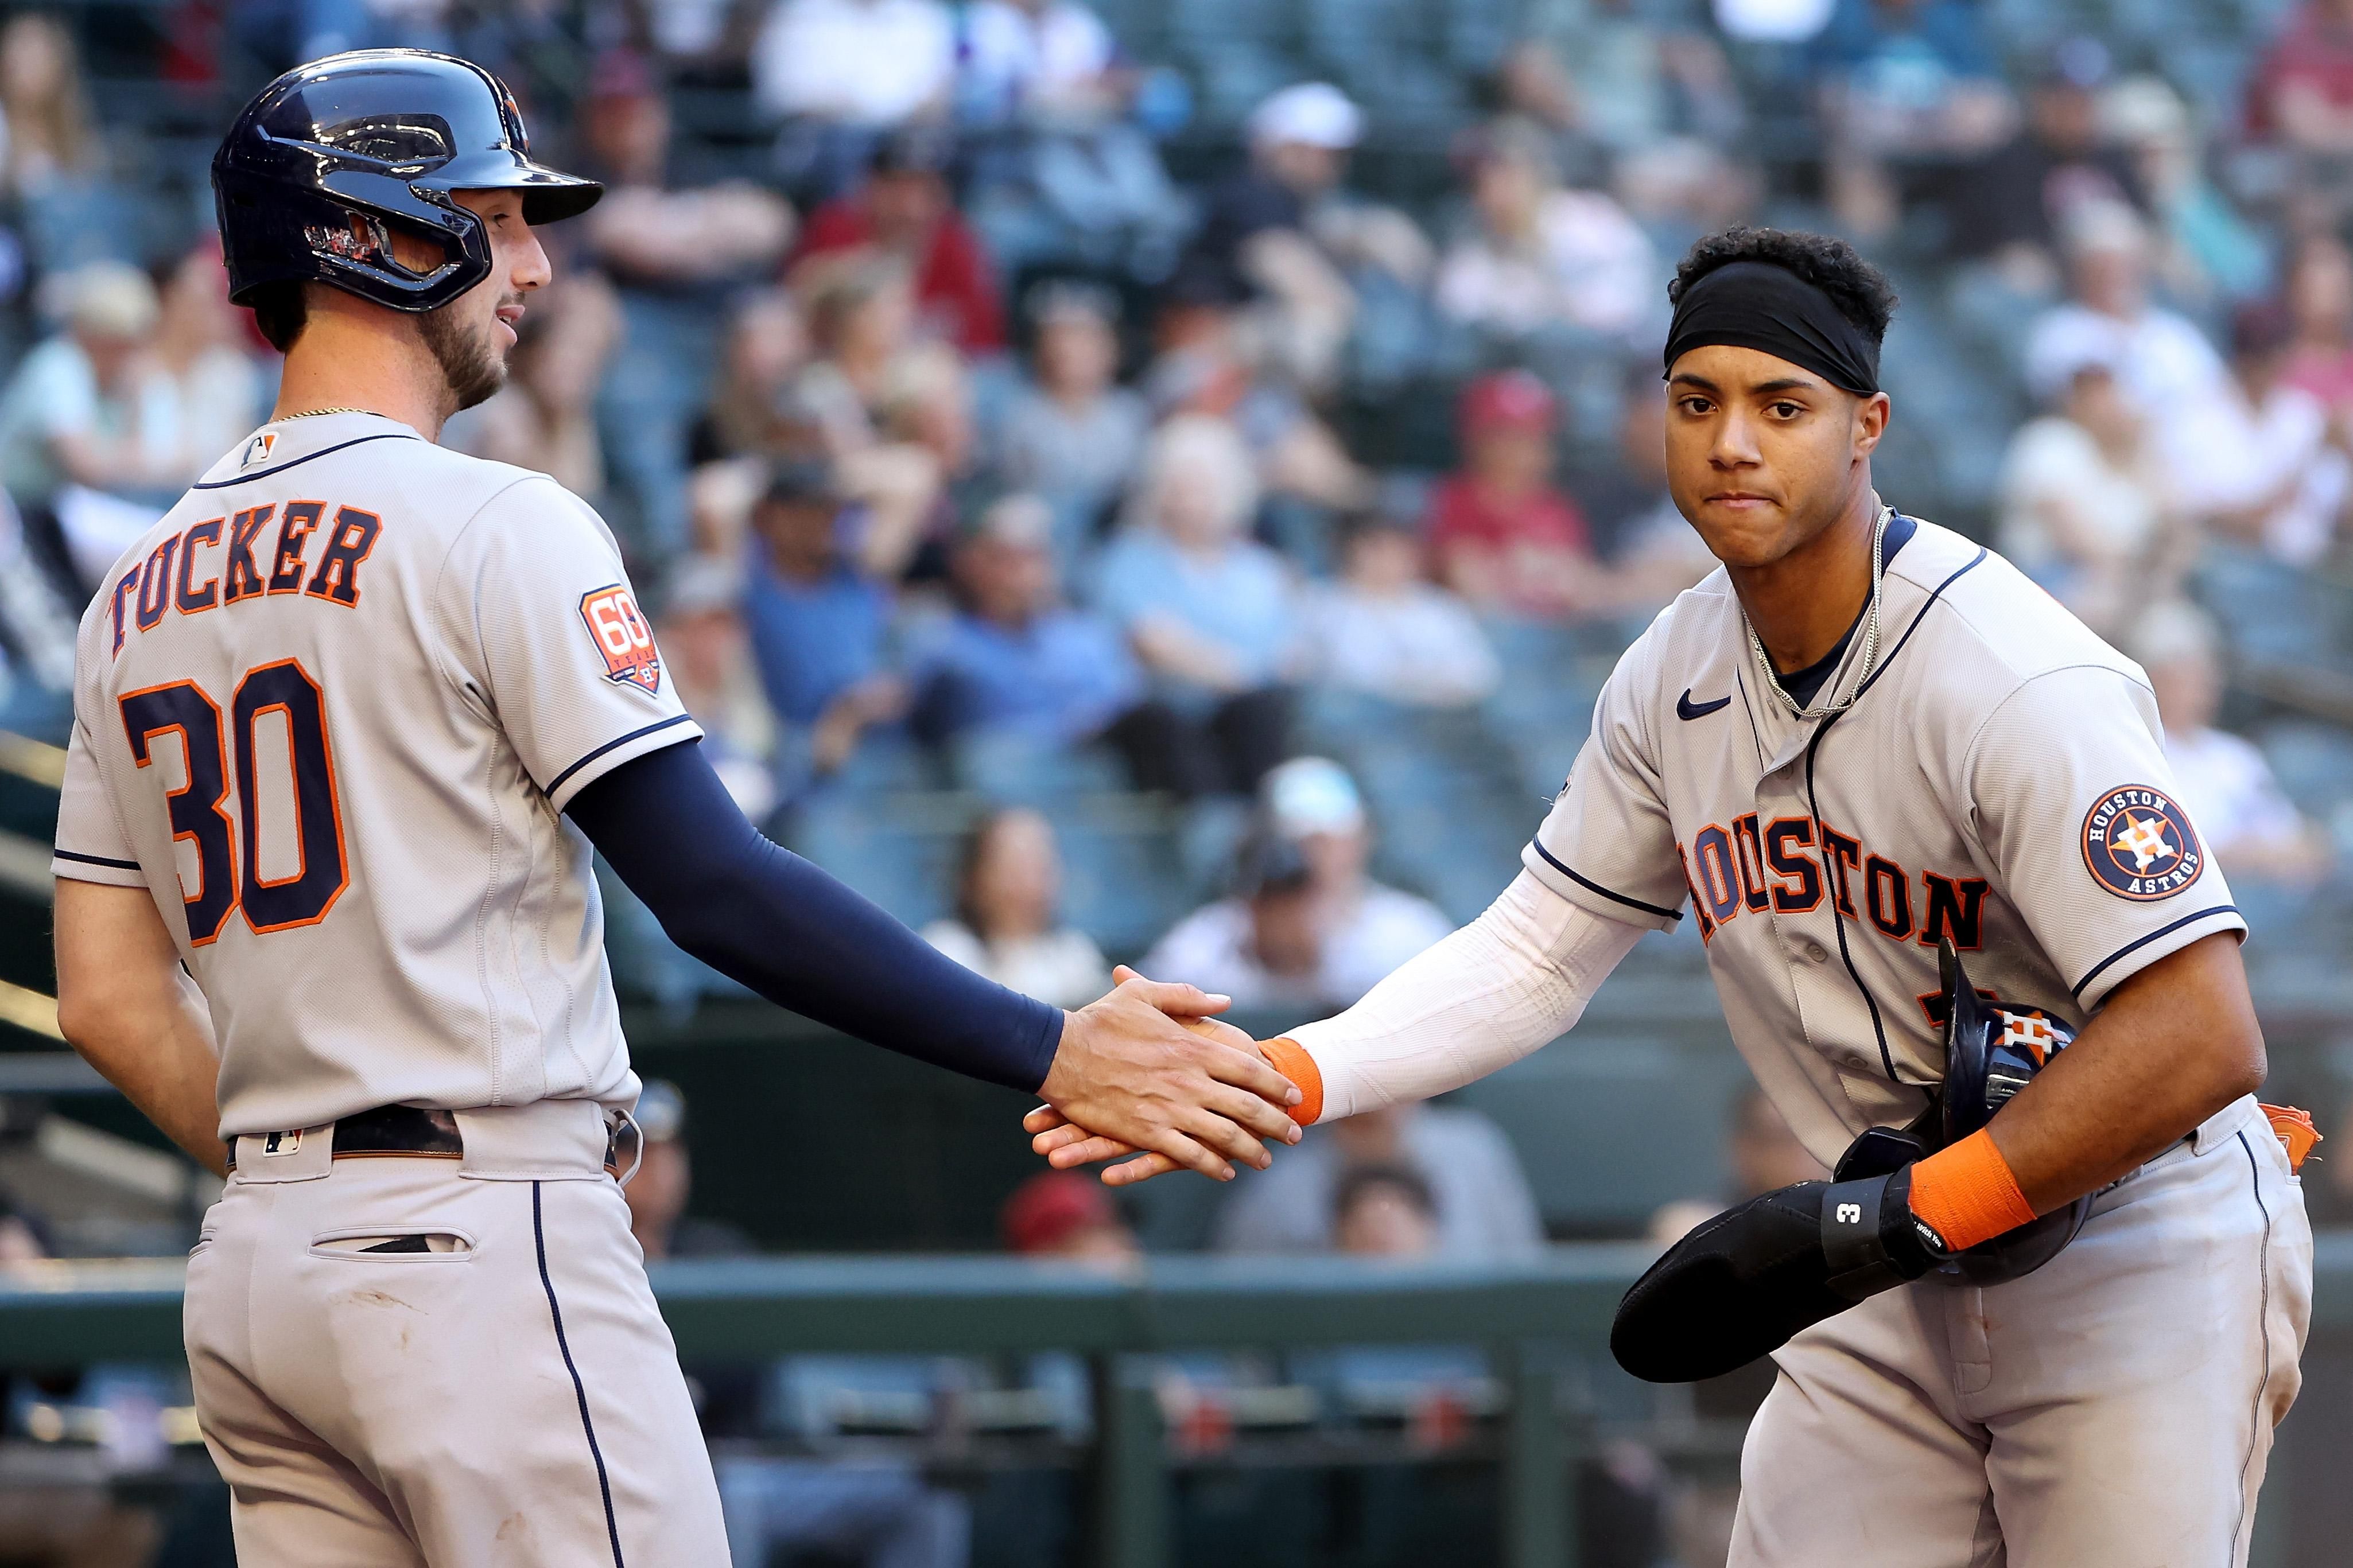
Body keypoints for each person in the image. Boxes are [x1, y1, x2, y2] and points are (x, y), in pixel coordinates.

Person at [48, 50, 1300, 1566]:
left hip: (261, 1268)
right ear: (370, 236)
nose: (535, 265)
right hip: (478, 1238)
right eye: (496, 221)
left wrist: (302, 1176)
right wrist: (1055, 1046)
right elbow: (712, 885)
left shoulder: (130, 593)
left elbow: (108, 999)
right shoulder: (494, 519)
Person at [1039, 225, 2313, 1562]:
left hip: (2130, 1242)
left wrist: (1892, 1217)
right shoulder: (1669, 674)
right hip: (1883, 1248)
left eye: (1782, 406)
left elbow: (2201, 1033)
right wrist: (1286, 1073)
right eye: (1696, 402)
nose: (1731, 443)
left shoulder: (2013, 677)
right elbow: (1537, 951)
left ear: (1867, 426)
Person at [1093, 414, 1299, 795]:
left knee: (1264, 716)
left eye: (1202, 486)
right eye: (1177, 485)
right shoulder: (1127, 559)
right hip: (1164, 715)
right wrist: (1239, 673)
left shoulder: (1260, 569)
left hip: (1244, 711)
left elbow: (1286, 652)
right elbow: (1152, 642)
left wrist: (1240, 676)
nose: (1189, 500)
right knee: (1168, 728)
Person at [1144, 758, 1455, 1009]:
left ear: (1362, 839)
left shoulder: (1410, 931)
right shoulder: (1209, 939)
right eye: (1300, 842)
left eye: (1329, 840)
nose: (1317, 856)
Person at [908, 492, 1144, 752]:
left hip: (1095, 764)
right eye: (1007, 560)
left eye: (1036, 558)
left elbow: (1123, 706)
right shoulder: (942, 643)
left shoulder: (1087, 637)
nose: (1025, 576)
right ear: (970, 563)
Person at [2131, 601, 2333, 886]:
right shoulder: (2143, 754)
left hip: (2269, 887)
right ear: (2156, 678)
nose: (2205, 686)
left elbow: (2291, 833)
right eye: (2188, 674)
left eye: (2208, 674)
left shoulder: (2236, 752)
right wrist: (2253, 856)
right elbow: (2166, 854)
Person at [740, 460, 910, 779]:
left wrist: (851, 711)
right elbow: (715, 501)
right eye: (802, 511)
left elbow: (907, 481)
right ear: (768, 516)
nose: (820, 522)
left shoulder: (857, 578)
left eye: (828, 511)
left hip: (884, 743)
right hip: (800, 751)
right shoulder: (752, 588)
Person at [1995, 351, 2183, 638]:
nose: (2108, 405)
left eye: (2112, 394)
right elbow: (2074, 539)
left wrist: (2140, 453)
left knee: (2176, 633)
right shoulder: (2051, 441)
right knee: (2102, 605)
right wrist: (2140, 572)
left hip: (2129, 585)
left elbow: (2177, 532)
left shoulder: (2135, 458)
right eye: (2095, 395)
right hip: (2049, 580)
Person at [1216, 1097, 1544, 1260]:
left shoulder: (1474, 1149)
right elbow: (1241, 1305)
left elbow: (1526, 1273)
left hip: (1468, 1353)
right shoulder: (1282, 1184)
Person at [1434, 118, 1658, 347]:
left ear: (1536, 171)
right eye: (1483, 183)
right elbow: (1461, 314)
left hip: (1606, 351)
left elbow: (1630, 293)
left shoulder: (1591, 219)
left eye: (1509, 173)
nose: (1499, 190)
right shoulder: (1472, 257)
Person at [793, 125, 1008, 354]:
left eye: (924, 191)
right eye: (897, 189)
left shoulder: (958, 245)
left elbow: (984, 348)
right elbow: (798, 316)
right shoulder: (835, 229)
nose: (910, 208)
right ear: (869, 188)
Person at [1423, 370, 1610, 620]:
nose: (1523, 450)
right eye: (1507, 436)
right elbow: (1464, 579)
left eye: (1535, 436)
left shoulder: (1558, 509)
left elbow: (1582, 587)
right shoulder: (1452, 500)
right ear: (1477, 441)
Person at [996, 279, 1149, 561]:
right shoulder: (1019, 413)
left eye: (1087, 340)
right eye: (1062, 339)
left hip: (1113, 544)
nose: (1072, 351)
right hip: (1039, 545)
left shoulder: (1131, 414)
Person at [1302, 510, 1500, 709]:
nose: (1393, 558)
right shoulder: (1323, 602)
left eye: (1400, 549)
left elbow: (1480, 671)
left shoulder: (1440, 605)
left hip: (1438, 712)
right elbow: (1339, 672)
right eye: (1380, 549)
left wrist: (1429, 686)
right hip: (1360, 713)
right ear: (1354, 551)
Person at [923, 807, 1113, 1009]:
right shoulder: (946, 949)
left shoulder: (1075, 954)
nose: (1030, 880)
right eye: (1014, 865)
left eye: (1040, 864)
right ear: (975, 874)